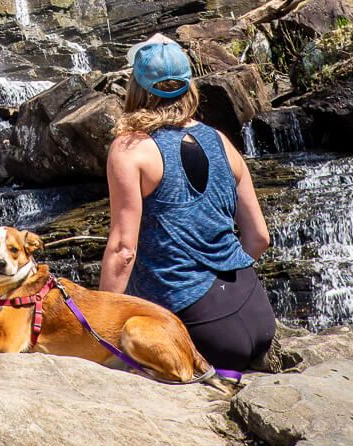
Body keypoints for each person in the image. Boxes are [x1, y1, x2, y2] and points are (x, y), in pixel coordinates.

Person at [101, 33, 275, 375]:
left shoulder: (130, 149)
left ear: (135, 88)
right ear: (188, 87)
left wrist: (100, 324)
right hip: (256, 315)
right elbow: (259, 239)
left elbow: (123, 250)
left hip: (199, 327)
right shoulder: (221, 141)